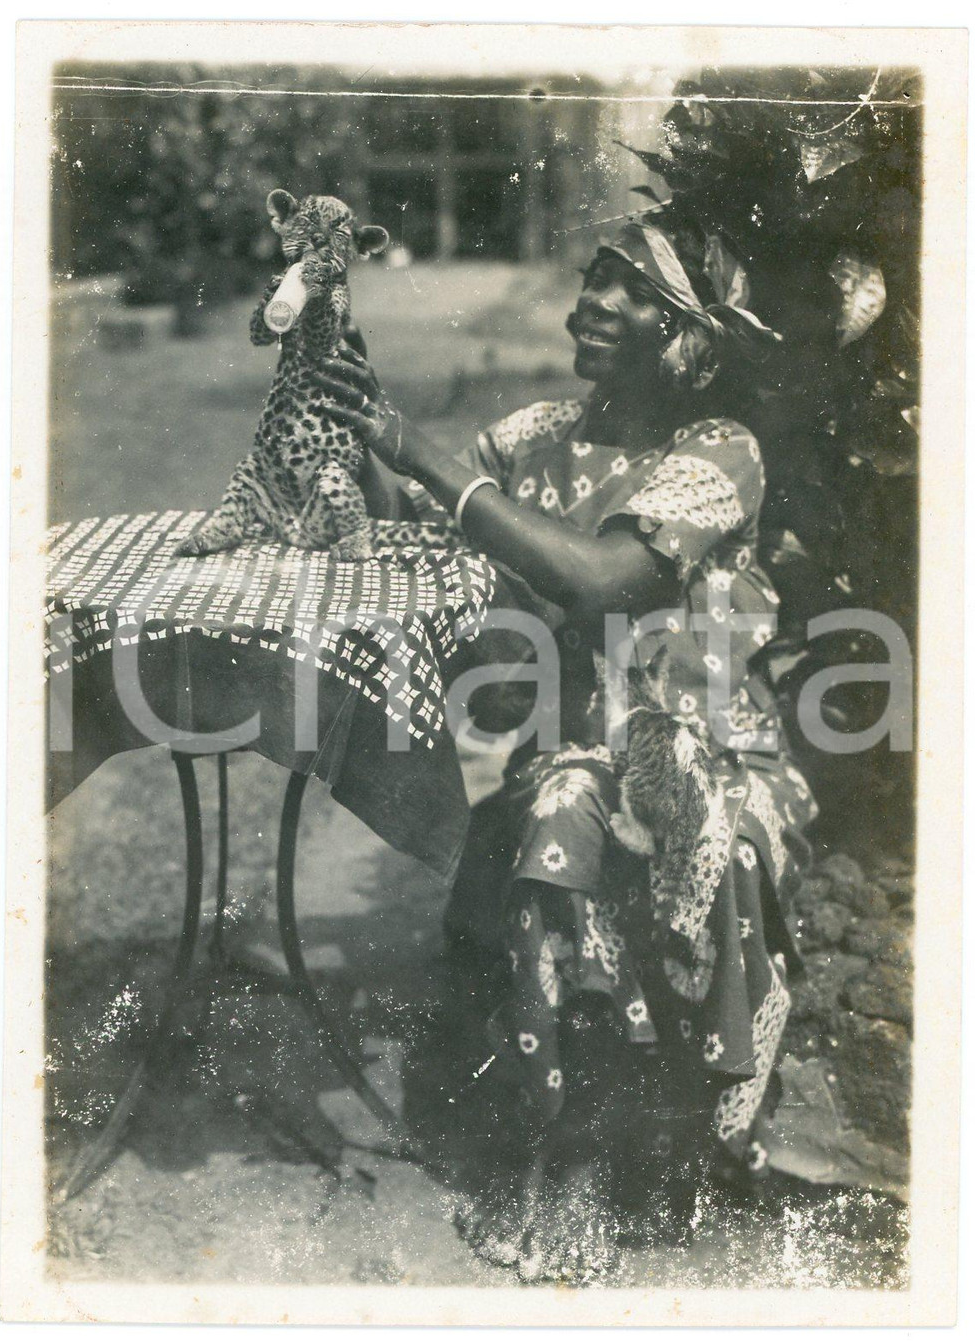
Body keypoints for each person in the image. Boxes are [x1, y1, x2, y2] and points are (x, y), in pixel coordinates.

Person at [315, 212, 818, 1283]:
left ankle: (596, 1149)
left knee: (576, 813)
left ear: (683, 335)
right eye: (591, 277)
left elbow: (599, 577)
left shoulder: (719, 453)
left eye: (626, 288)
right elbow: (409, 532)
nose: (591, 299)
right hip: (568, 756)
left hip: (702, 760)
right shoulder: (532, 439)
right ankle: (571, 1139)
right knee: (556, 807)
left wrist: (427, 458)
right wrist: (361, 428)